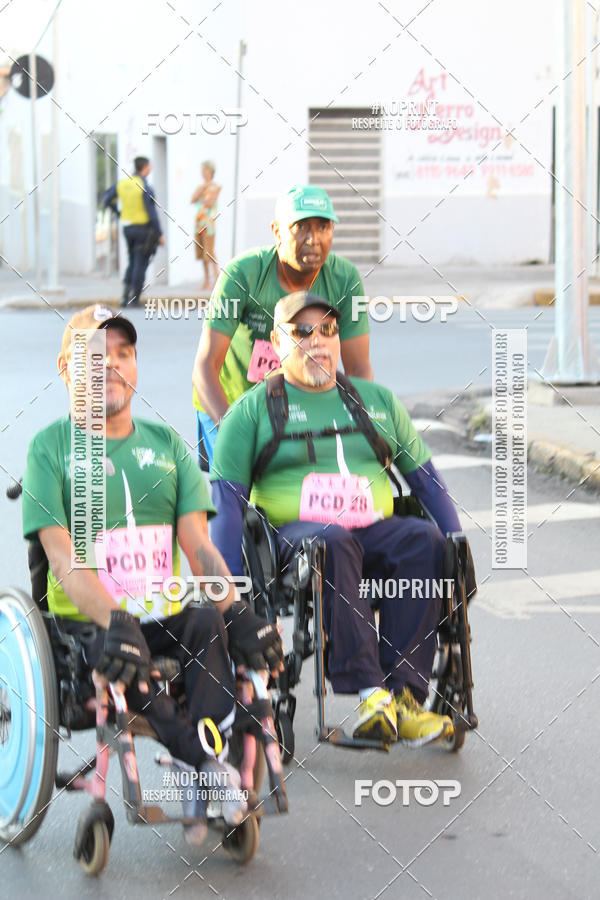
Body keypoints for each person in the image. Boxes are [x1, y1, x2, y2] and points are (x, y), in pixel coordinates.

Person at [21, 304, 283, 845]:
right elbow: (63, 559)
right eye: (95, 355)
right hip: (89, 622)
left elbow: (200, 549)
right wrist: (113, 617)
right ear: (68, 368)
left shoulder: (166, 446)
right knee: (128, 655)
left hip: (161, 608)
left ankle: (210, 764)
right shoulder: (50, 449)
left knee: (209, 625)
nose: (111, 366)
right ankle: (205, 769)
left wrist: (239, 611)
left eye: (123, 353)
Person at [209, 291, 463, 747]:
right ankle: (371, 694)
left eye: (327, 330)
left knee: (423, 540)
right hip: (299, 539)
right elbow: (227, 504)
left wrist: (456, 544)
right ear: (277, 342)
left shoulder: (376, 401)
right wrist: (230, 597)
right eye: (302, 331)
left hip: (373, 532)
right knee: (331, 541)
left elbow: (426, 481)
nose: (318, 341)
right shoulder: (250, 412)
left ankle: (404, 699)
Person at [191, 184, 373, 470]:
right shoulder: (243, 274)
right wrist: (231, 431)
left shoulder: (345, 278)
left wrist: (362, 427)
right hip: (230, 404)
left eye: (323, 227)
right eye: (300, 228)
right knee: (241, 492)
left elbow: (359, 368)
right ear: (277, 231)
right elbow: (204, 367)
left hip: (300, 407)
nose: (313, 239)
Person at [103, 157, 165, 308]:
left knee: (131, 261)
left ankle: (125, 296)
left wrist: (118, 213)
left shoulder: (122, 184)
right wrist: (159, 233)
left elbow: (106, 200)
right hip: (143, 229)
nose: (151, 168)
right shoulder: (145, 186)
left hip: (127, 228)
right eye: (149, 165)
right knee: (140, 262)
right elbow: (152, 213)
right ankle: (134, 298)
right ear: (144, 167)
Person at [191, 161, 221, 290]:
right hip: (199, 222)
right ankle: (207, 280)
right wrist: (202, 191)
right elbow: (192, 199)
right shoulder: (201, 187)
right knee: (202, 252)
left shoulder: (216, 187)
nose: (202, 172)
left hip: (208, 223)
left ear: (210, 171)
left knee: (210, 251)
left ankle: (216, 279)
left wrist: (201, 197)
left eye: (204, 170)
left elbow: (210, 202)